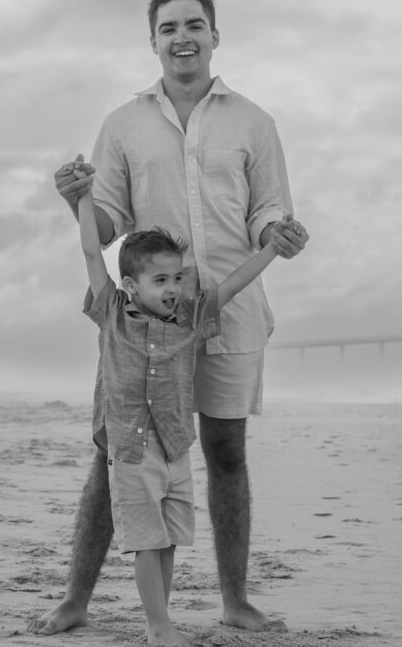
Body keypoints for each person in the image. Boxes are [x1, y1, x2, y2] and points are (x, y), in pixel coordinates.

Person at [28, 0, 308, 636]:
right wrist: (76, 199)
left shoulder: (253, 122)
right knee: (112, 455)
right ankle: (75, 599)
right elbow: (103, 228)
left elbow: (270, 209)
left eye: (195, 25)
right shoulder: (123, 126)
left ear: (215, 35)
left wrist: (279, 238)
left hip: (227, 309)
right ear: (153, 41)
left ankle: (235, 601)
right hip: (143, 321)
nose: (183, 37)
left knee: (227, 450)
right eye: (169, 28)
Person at [67, 155, 298, 646]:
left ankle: (162, 617)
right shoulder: (112, 311)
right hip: (130, 451)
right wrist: (85, 197)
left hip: (174, 450)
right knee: (146, 542)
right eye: (160, 281)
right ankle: (158, 627)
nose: (173, 289)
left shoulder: (191, 318)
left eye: (176, 279)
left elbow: (235, 282)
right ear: (130, 285)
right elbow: (91, 253)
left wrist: (273, 249)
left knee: (168, 539)